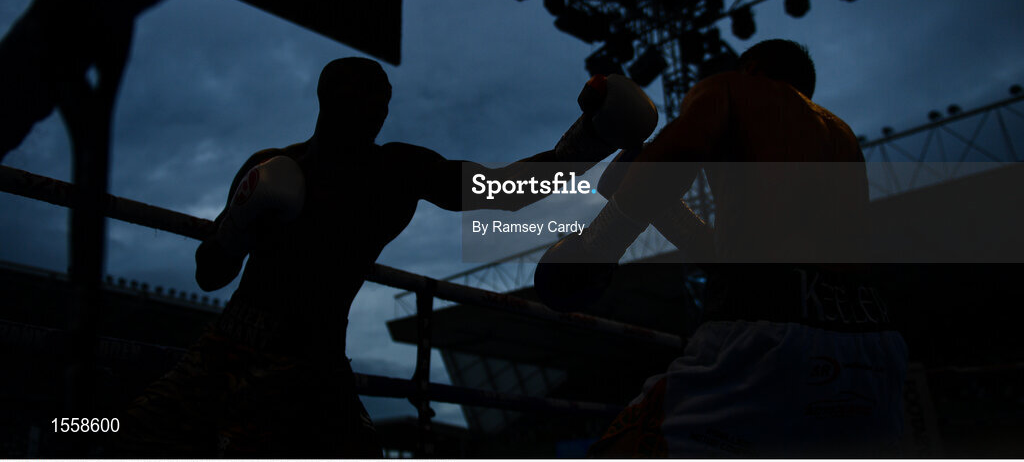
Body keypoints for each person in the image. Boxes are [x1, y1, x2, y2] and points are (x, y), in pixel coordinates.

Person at [114, 56, 657, 457]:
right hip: (229, 346)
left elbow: (502, 191)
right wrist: (237, 223)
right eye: (364, 99)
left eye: (382, 102)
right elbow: (211, 273)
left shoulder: (396, 170)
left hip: (316, 364)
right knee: (106, 434)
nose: (375, 112)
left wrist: (587, 141)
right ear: (330, 100)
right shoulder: (273, 165)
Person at [535, 39, 908, 457]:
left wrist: (597, 245)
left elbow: (676, 156)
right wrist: (650, 198)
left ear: (750, 66)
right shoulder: (842, 136)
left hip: (768, 340)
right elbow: (738, 263)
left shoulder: (733, 87)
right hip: (876, 350)